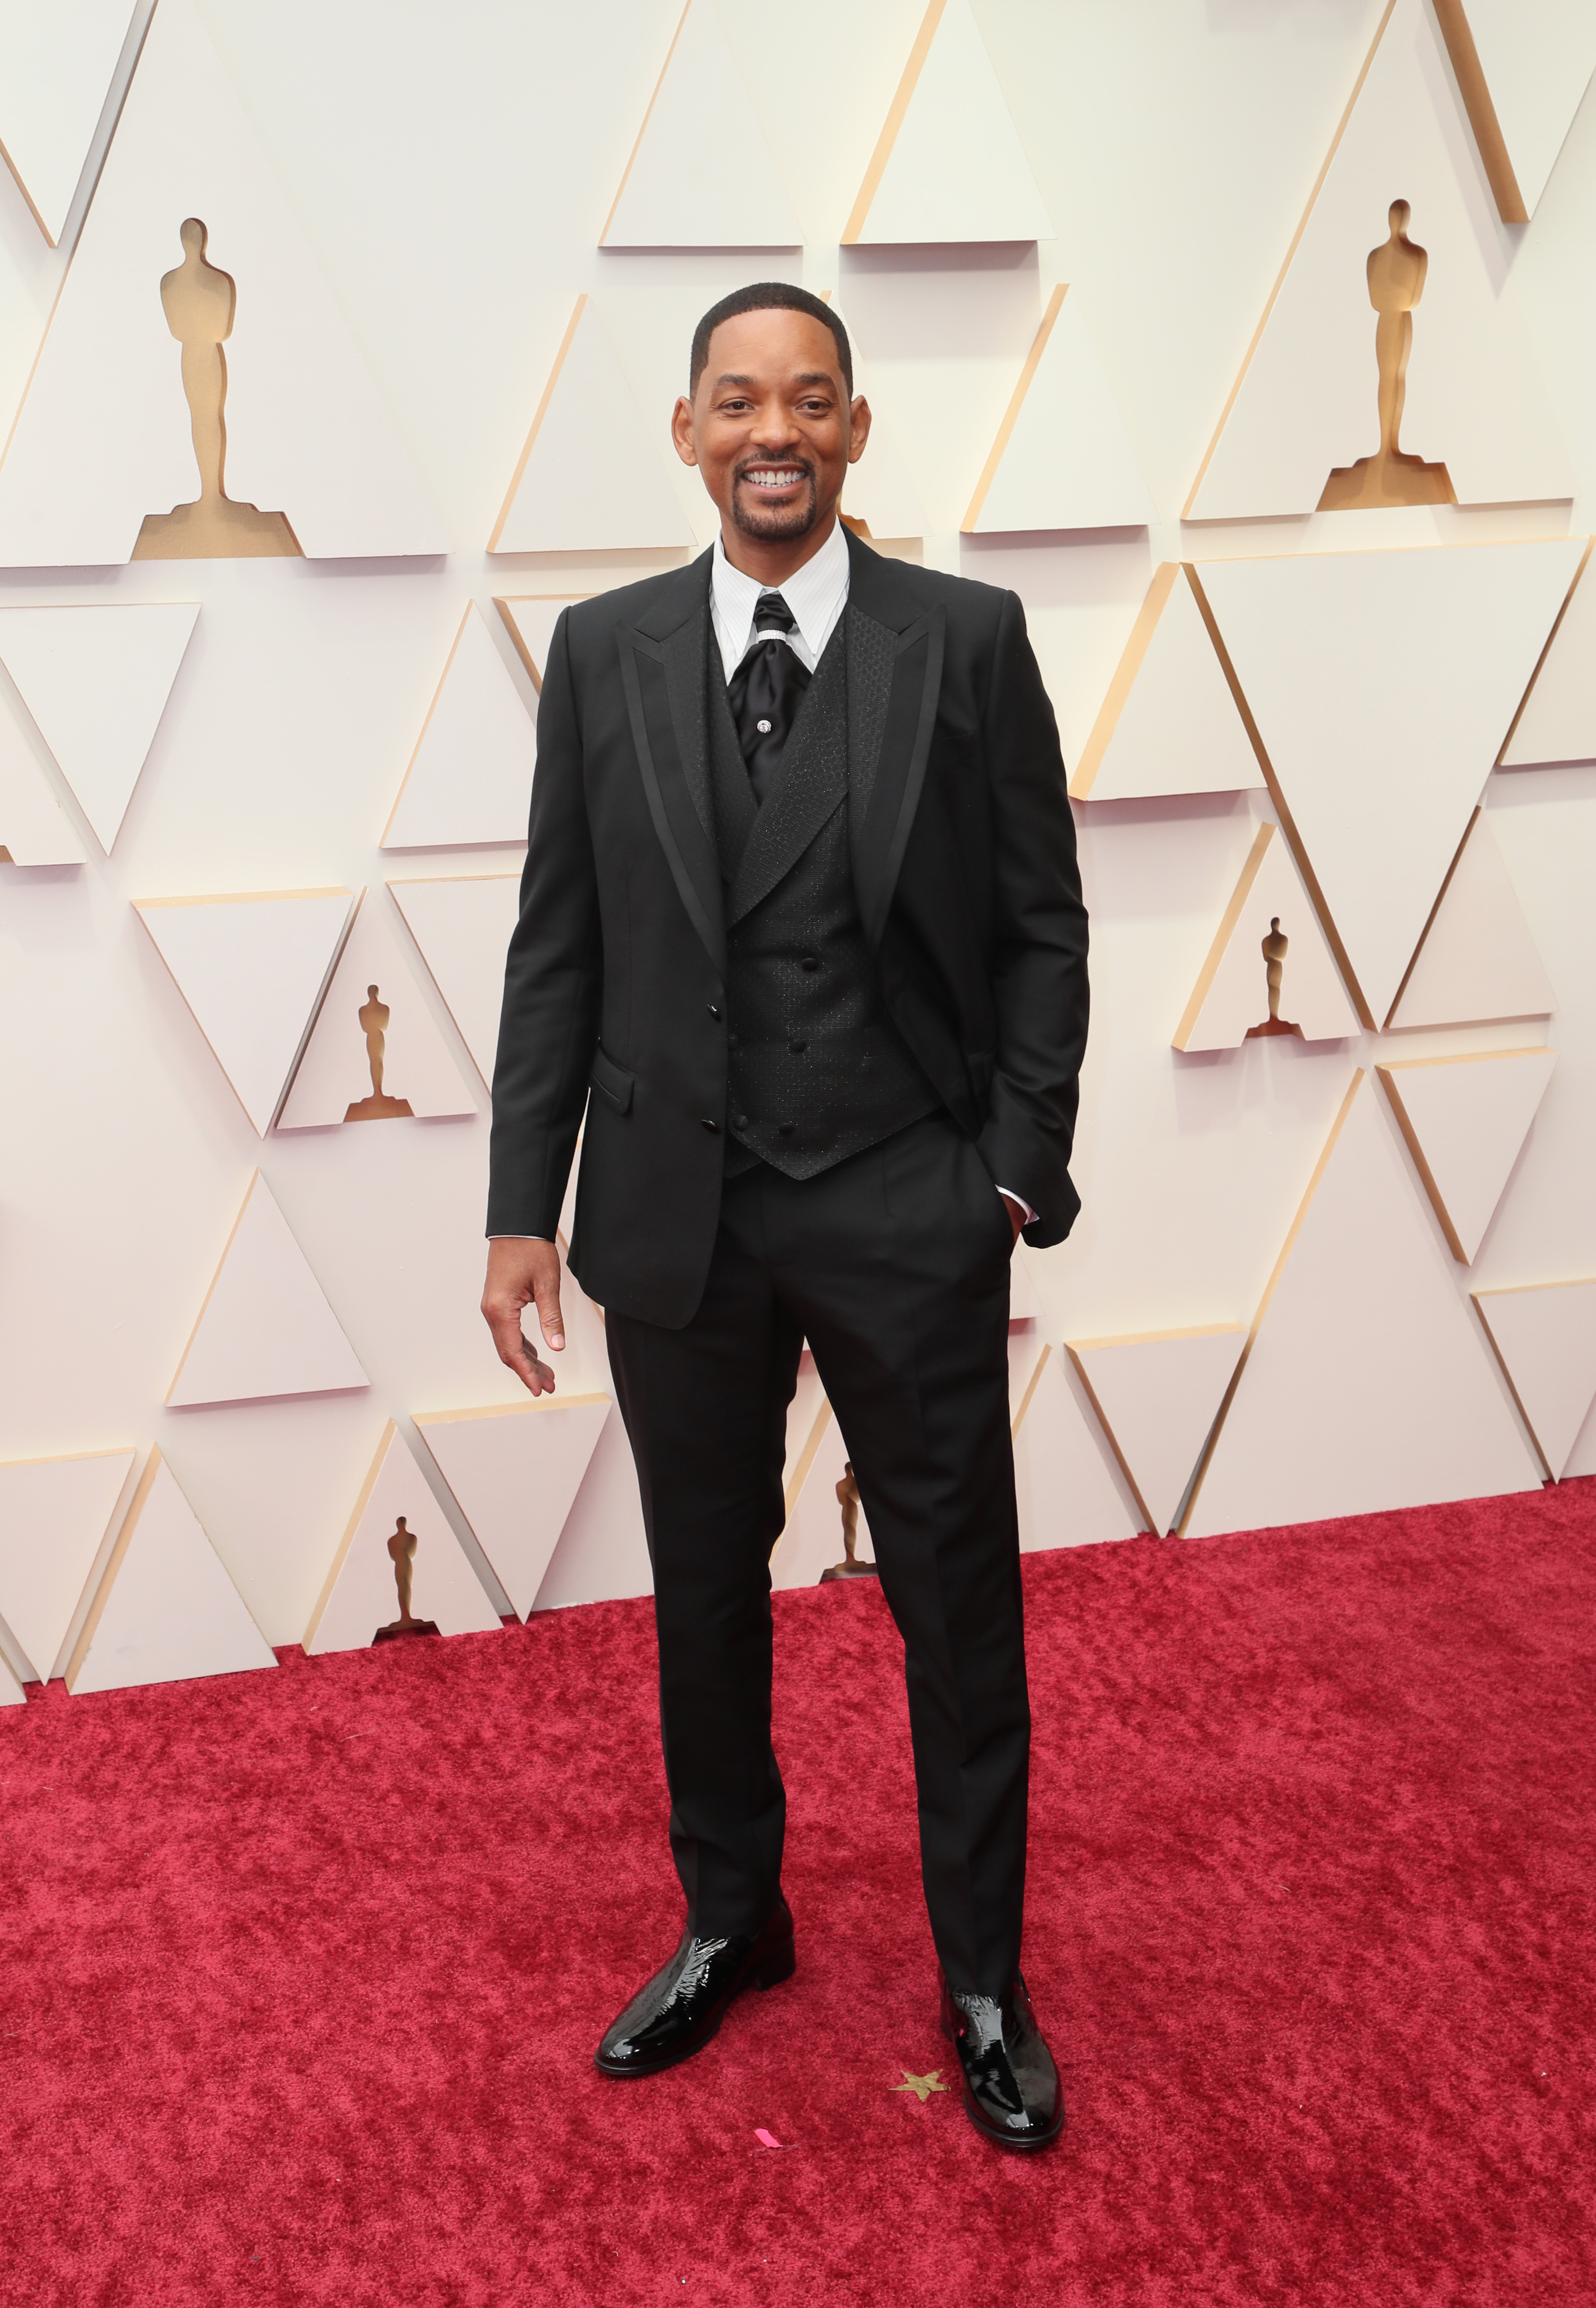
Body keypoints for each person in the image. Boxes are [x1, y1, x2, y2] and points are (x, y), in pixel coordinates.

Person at [481, 283, 1088, 2150]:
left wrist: (1006, 1166)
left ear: (855, 429)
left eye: (809, 400)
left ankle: (980, 1971)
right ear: (687, 431)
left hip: (907, 1199)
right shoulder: (602, 651)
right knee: (702, 1594)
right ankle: (734, 1918)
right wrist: (524, 1201)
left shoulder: (966, 642)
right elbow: (559, 941)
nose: (774, 430)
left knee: (956, 1605)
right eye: (738, 400)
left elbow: (1040, 925)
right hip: (680, 1211)